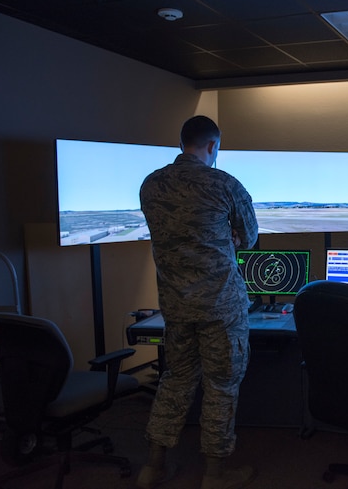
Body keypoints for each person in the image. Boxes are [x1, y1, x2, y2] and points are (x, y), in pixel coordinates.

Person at [137, 115, 259, 489]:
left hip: (175, 305)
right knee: (221, 385)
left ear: (182, 142)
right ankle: (214, 475)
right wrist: (230, 240)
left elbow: (173, 235)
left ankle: (153, 468)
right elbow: (249, 237)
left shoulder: (151, 185)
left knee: (175, 380)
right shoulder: (224, 184)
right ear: (212, 145)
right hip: (221, 306)